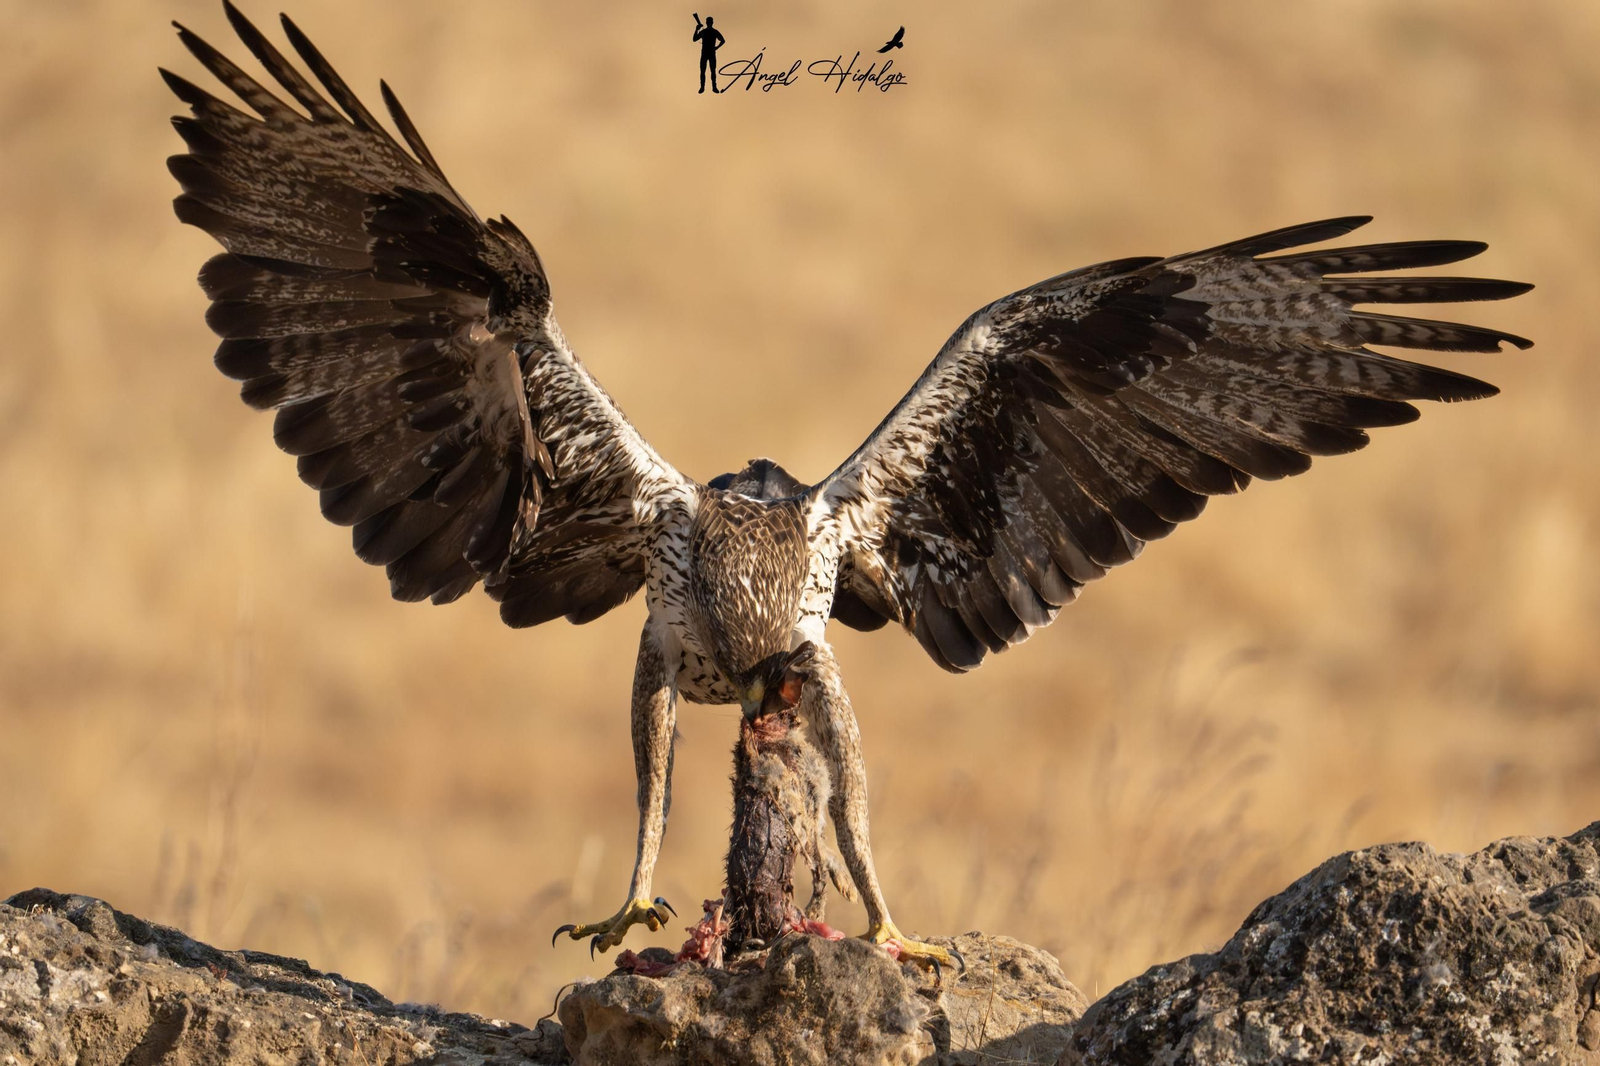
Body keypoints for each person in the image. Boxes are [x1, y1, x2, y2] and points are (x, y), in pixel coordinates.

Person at [693, 14, 725, 94]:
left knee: (711, 71)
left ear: (707, 22)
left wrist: (717, 47)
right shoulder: (708, 32)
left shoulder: (710, 32)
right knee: (705, 71)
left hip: (709, 54)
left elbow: (723, 40)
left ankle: (712, 87)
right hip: (706, 54)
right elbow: (694, 39)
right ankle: (704, 87)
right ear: (710, 22)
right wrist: (696, 29)